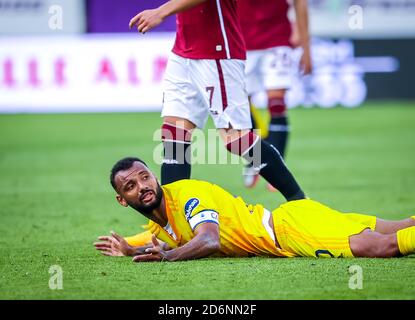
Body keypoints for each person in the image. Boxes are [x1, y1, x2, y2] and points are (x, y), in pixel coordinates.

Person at [128, 0, 305, 202]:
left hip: (217, 51)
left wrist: (161, 12)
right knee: (174, 136)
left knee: (237, 139)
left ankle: (301, 202)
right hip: (183, 49)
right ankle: (172, 223)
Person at [94, 157, 415, 261]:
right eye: (131, 186)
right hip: (292, 218)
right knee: (402, 225)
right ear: (123, 200)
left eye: (145, 177)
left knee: (377, 246)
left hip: (289, 232)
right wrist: (126, 247)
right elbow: (159, 238)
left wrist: (167, 256)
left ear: (153, 175)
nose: (143, 186)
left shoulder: (187, 195)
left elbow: (208, 240)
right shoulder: (160, 222)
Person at [238, 0, 312, 189]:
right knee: (239, 107)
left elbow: (300, 4)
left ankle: (277, 169)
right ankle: (257, 157)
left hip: (276, 40)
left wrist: (306, 47)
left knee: (277, 103)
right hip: (239, 40)